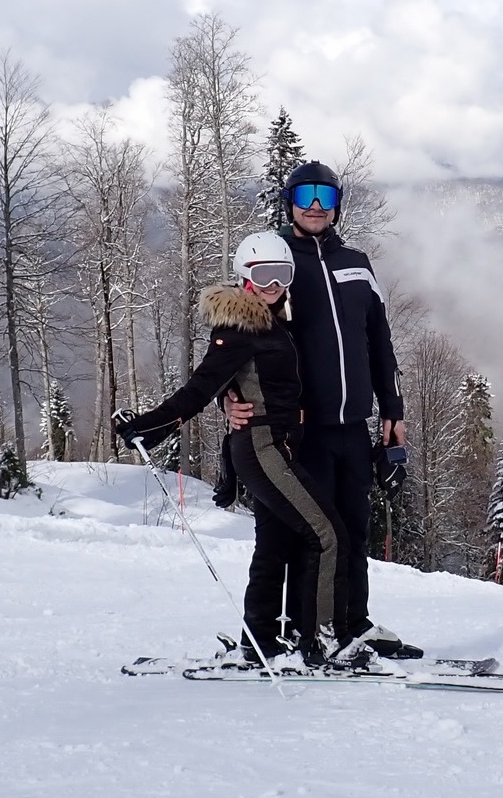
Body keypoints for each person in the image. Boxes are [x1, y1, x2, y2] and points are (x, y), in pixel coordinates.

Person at [112, 231, 351, 667]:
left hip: (278, 446)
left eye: (282, 273)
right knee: (326, 534)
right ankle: (320, 643)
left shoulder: (277, 320)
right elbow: (201, 387)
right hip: (262, 447)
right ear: (244, 275)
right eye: (263, 274)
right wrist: (148, 428)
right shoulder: (238, 327)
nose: (273, 283)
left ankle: (259, 641)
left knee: (275, 544)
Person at [230, 160, 417, 659]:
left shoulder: (356, 262)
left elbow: (379, 340)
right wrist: (233, 396)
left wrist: (392, 409)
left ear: (338, 205)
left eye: (326, 197)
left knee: (354, 532)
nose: (315, 206)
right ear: (288, 200)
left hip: (353, 426)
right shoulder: (276, 263)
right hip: (300, 430)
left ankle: (353, 624)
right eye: (306, 195)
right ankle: (302, 632)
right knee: (305, 535)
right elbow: (240, 335)